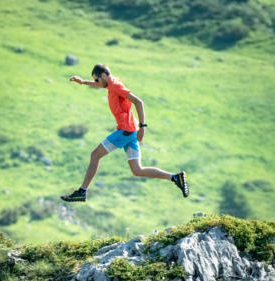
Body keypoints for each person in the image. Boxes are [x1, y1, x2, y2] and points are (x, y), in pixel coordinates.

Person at [61, 63, 189, 202]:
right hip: (130, 131)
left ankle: (82, 191)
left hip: (126, 130)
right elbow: (100, 85)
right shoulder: (109, 83)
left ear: (103, 75)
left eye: (97, 79)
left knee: (95, 155)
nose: (96, 83)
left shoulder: (115, 86)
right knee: (137, 170)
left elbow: (138, 102)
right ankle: (175, 177)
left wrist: (143, 127)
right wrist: (83, 82)